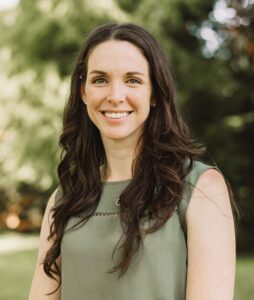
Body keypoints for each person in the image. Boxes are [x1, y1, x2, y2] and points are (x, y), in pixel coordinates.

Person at [29, 23, 237, 300]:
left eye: (133, 80)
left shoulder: (200, 188)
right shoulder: (65, 198)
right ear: (83, 92)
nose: (115, 96)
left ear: (154, 93)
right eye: (100, 79)